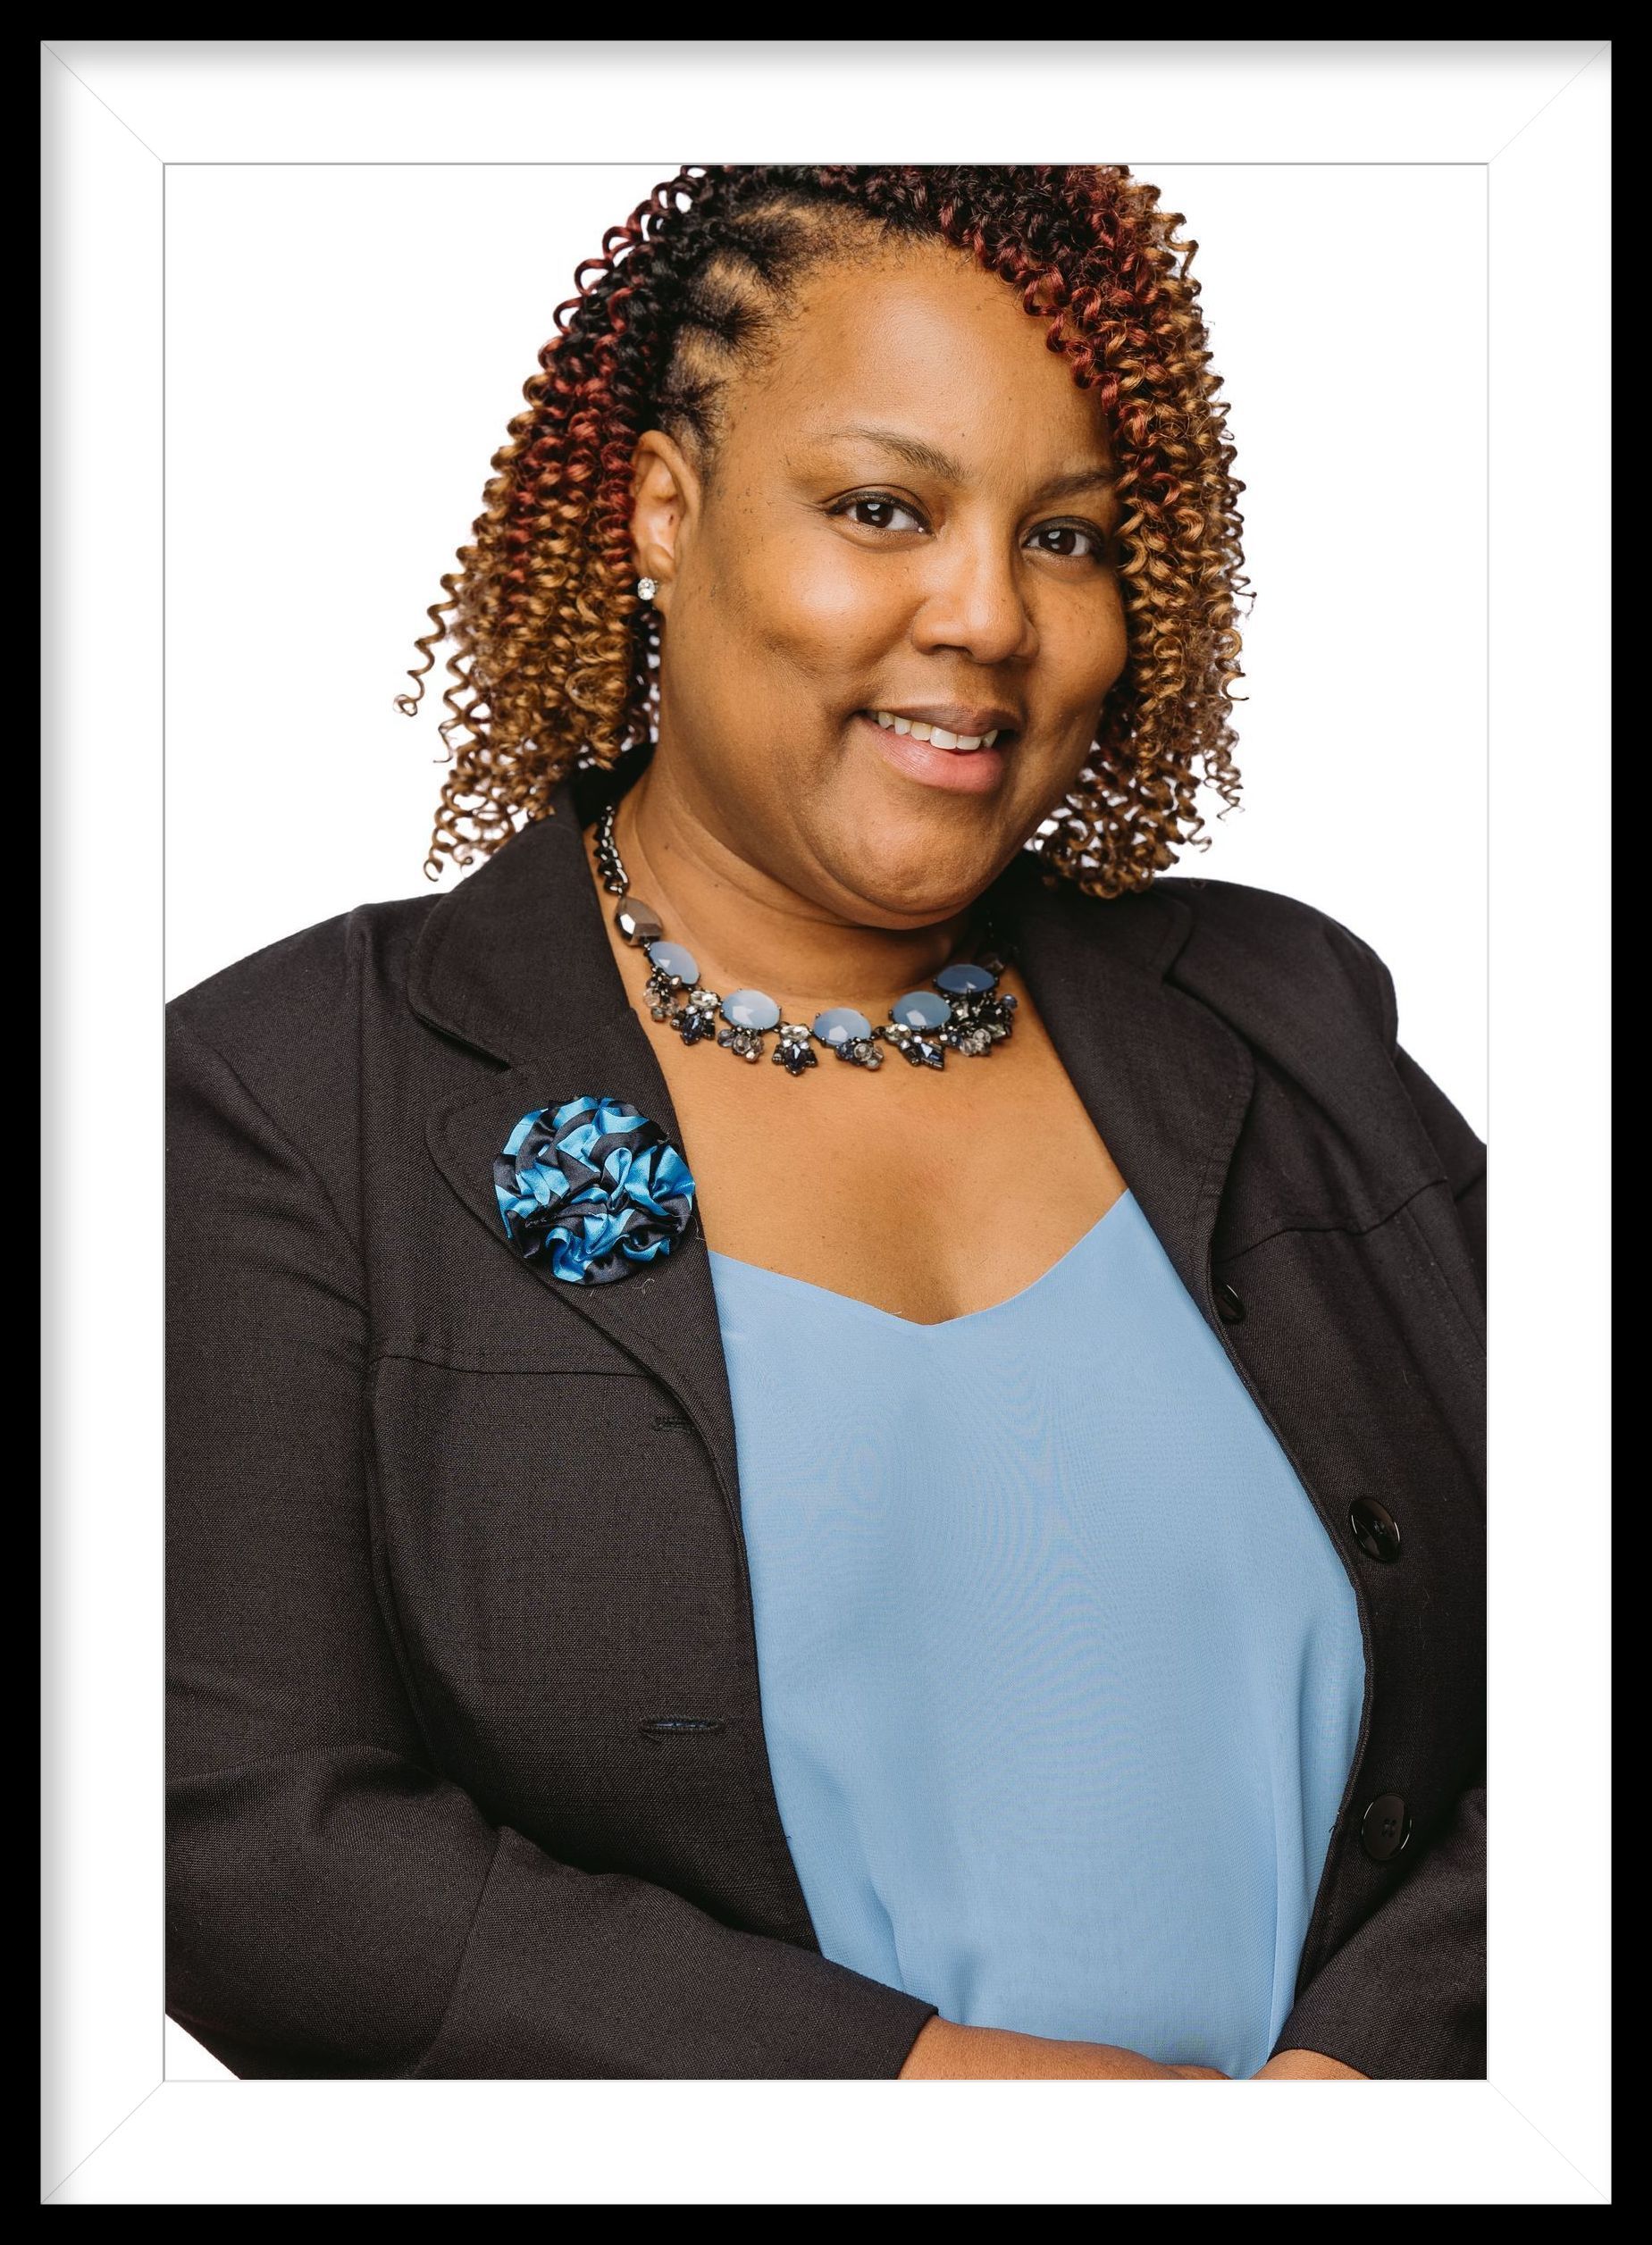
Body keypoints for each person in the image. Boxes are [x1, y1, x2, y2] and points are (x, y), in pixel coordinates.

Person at [165, 163, 1485, 2081]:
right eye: (883, 508)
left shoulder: (1288, 1032)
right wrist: (940, 2107)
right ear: (659, 509)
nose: (989, 618)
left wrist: (1361, 2086)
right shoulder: (289, 1100)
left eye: (1069, 538)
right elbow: (243, 1843)